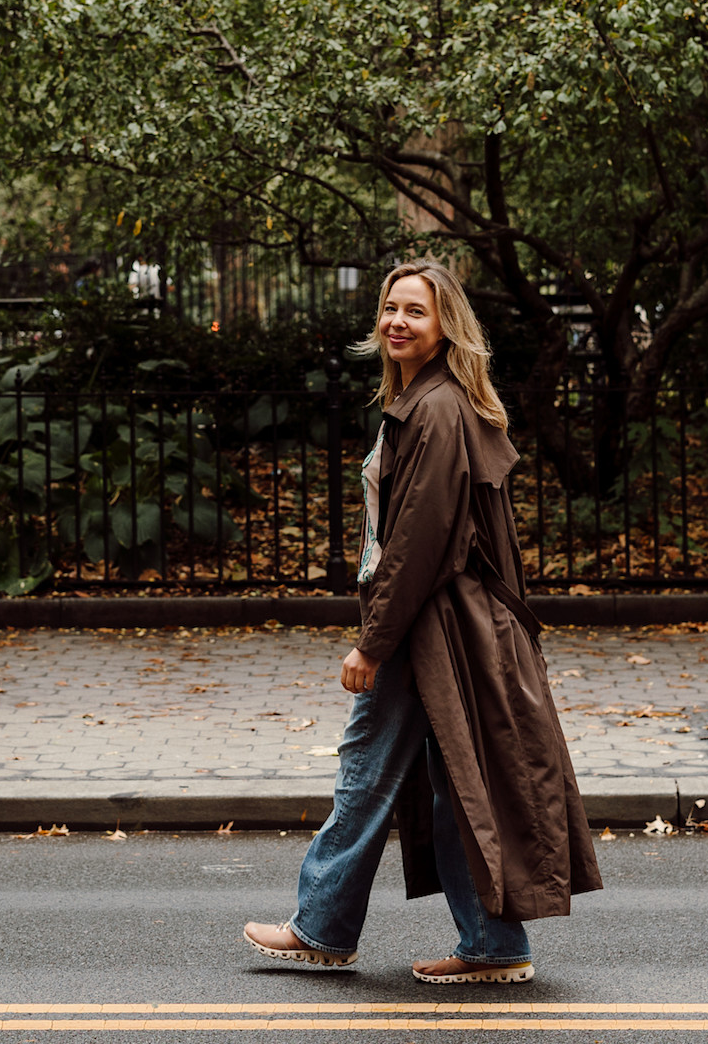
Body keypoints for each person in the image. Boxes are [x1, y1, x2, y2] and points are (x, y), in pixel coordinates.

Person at [243, 260, 601, 984]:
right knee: (450, 784)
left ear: (446, 328)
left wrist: (372, 644)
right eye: (390, 308)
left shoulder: (435, 408)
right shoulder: (428, 401)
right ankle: (493, 945)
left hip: (427, 631)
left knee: (367, 774)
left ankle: (322, 927)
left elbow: (418, 542)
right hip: (439, 627)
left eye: (415, 311)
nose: (397, 322)